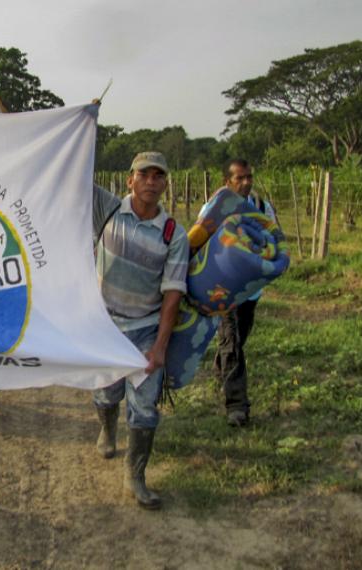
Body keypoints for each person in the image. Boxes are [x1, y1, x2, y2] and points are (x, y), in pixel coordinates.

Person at [92, 151, 188, 509]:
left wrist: (160, 346)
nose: (151, 181)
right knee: (105, 395)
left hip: (145, 329)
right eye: (143, 174)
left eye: (158, 176)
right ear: (130, 180)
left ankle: (135, 476)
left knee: (146, 408)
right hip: (104, 327)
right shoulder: (109, 209)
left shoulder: (172, 234)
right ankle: (106, 427)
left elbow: (173, 293)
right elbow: (69, 178)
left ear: (165, 184)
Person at [205, 159, 278, 428]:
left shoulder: (261, 207)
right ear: (227, 182)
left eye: (249, 177)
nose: (246, 182)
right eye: (240, 178)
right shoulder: (215, 208)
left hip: (251, 290)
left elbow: (273, 238)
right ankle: (236, 406)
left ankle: (220, 369)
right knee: (232, 342)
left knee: (238, 339)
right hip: (225, 290)